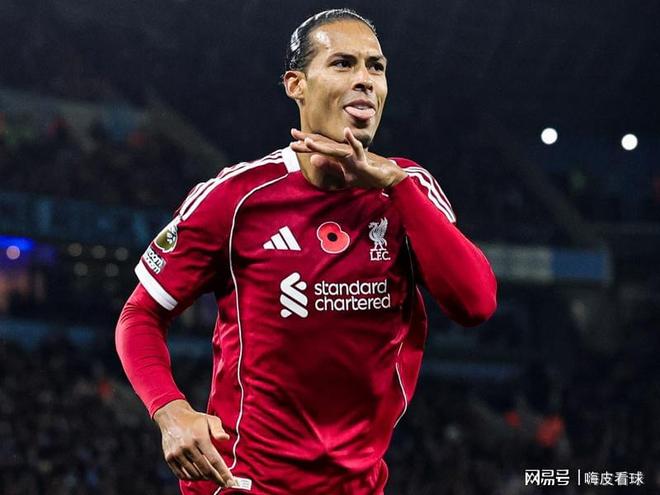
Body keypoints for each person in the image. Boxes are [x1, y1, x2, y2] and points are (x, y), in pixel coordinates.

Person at [115, 8, 497, 495]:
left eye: (376, 67)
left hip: (359, 486)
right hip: (241, 482)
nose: (365, 79)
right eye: (343, 63)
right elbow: (139, 315)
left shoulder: (408, 190)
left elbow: (475, 304)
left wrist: (397, 185)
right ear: (296, 84)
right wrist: (170, 411)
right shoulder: (236, 198)